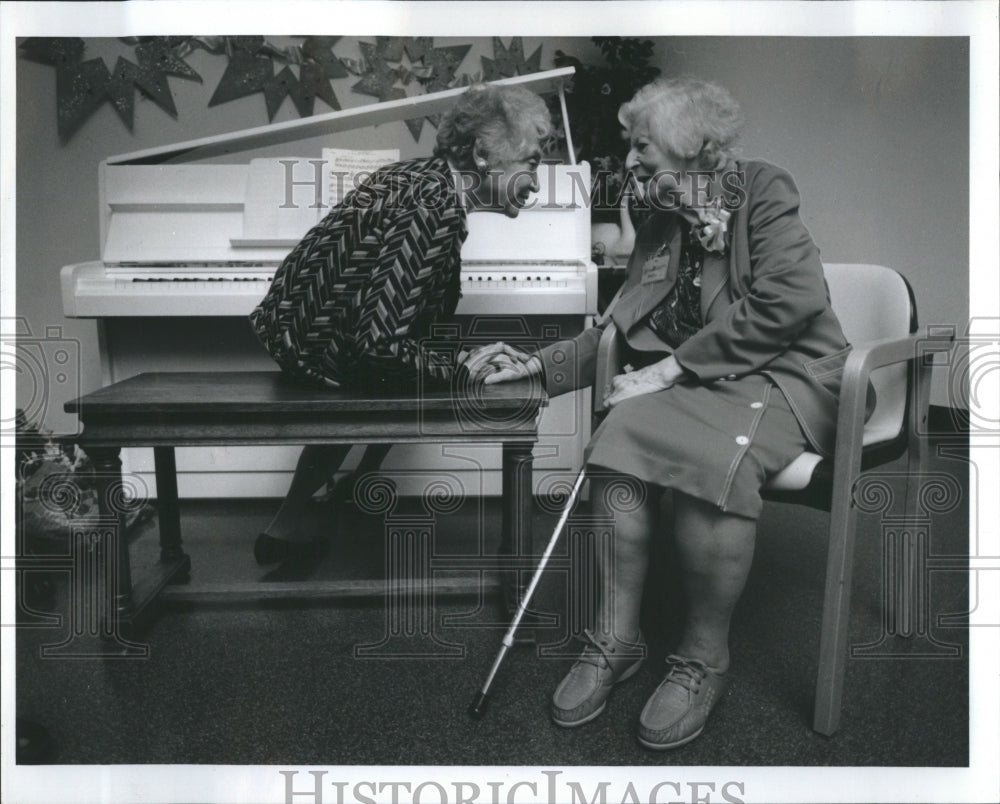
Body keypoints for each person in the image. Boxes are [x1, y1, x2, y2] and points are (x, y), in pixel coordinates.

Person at [469, 77, 870, 749]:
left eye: (641, 147)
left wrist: (674, 367)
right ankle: (617, 639)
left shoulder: (762, 190)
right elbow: (615, 330)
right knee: (619, 430)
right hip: (705, 387)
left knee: (709, 459)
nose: (628, 161)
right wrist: (540, 365)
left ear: (690, 150)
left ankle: (703, 660)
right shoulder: (657, 220)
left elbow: (790, 302)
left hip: (789, 379)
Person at [249, 83, 552, 565]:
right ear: (481, 152)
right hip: (320, 350)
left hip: (298, 330)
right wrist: (461, 367)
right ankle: (331, 501)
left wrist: (451, 356)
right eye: (532, 163)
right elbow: (378, 345)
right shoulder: (435, 209)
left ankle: (321, 504)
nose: (536, 183)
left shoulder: (421, 177)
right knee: (429, 367)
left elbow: (387, 319)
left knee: (429, 354)